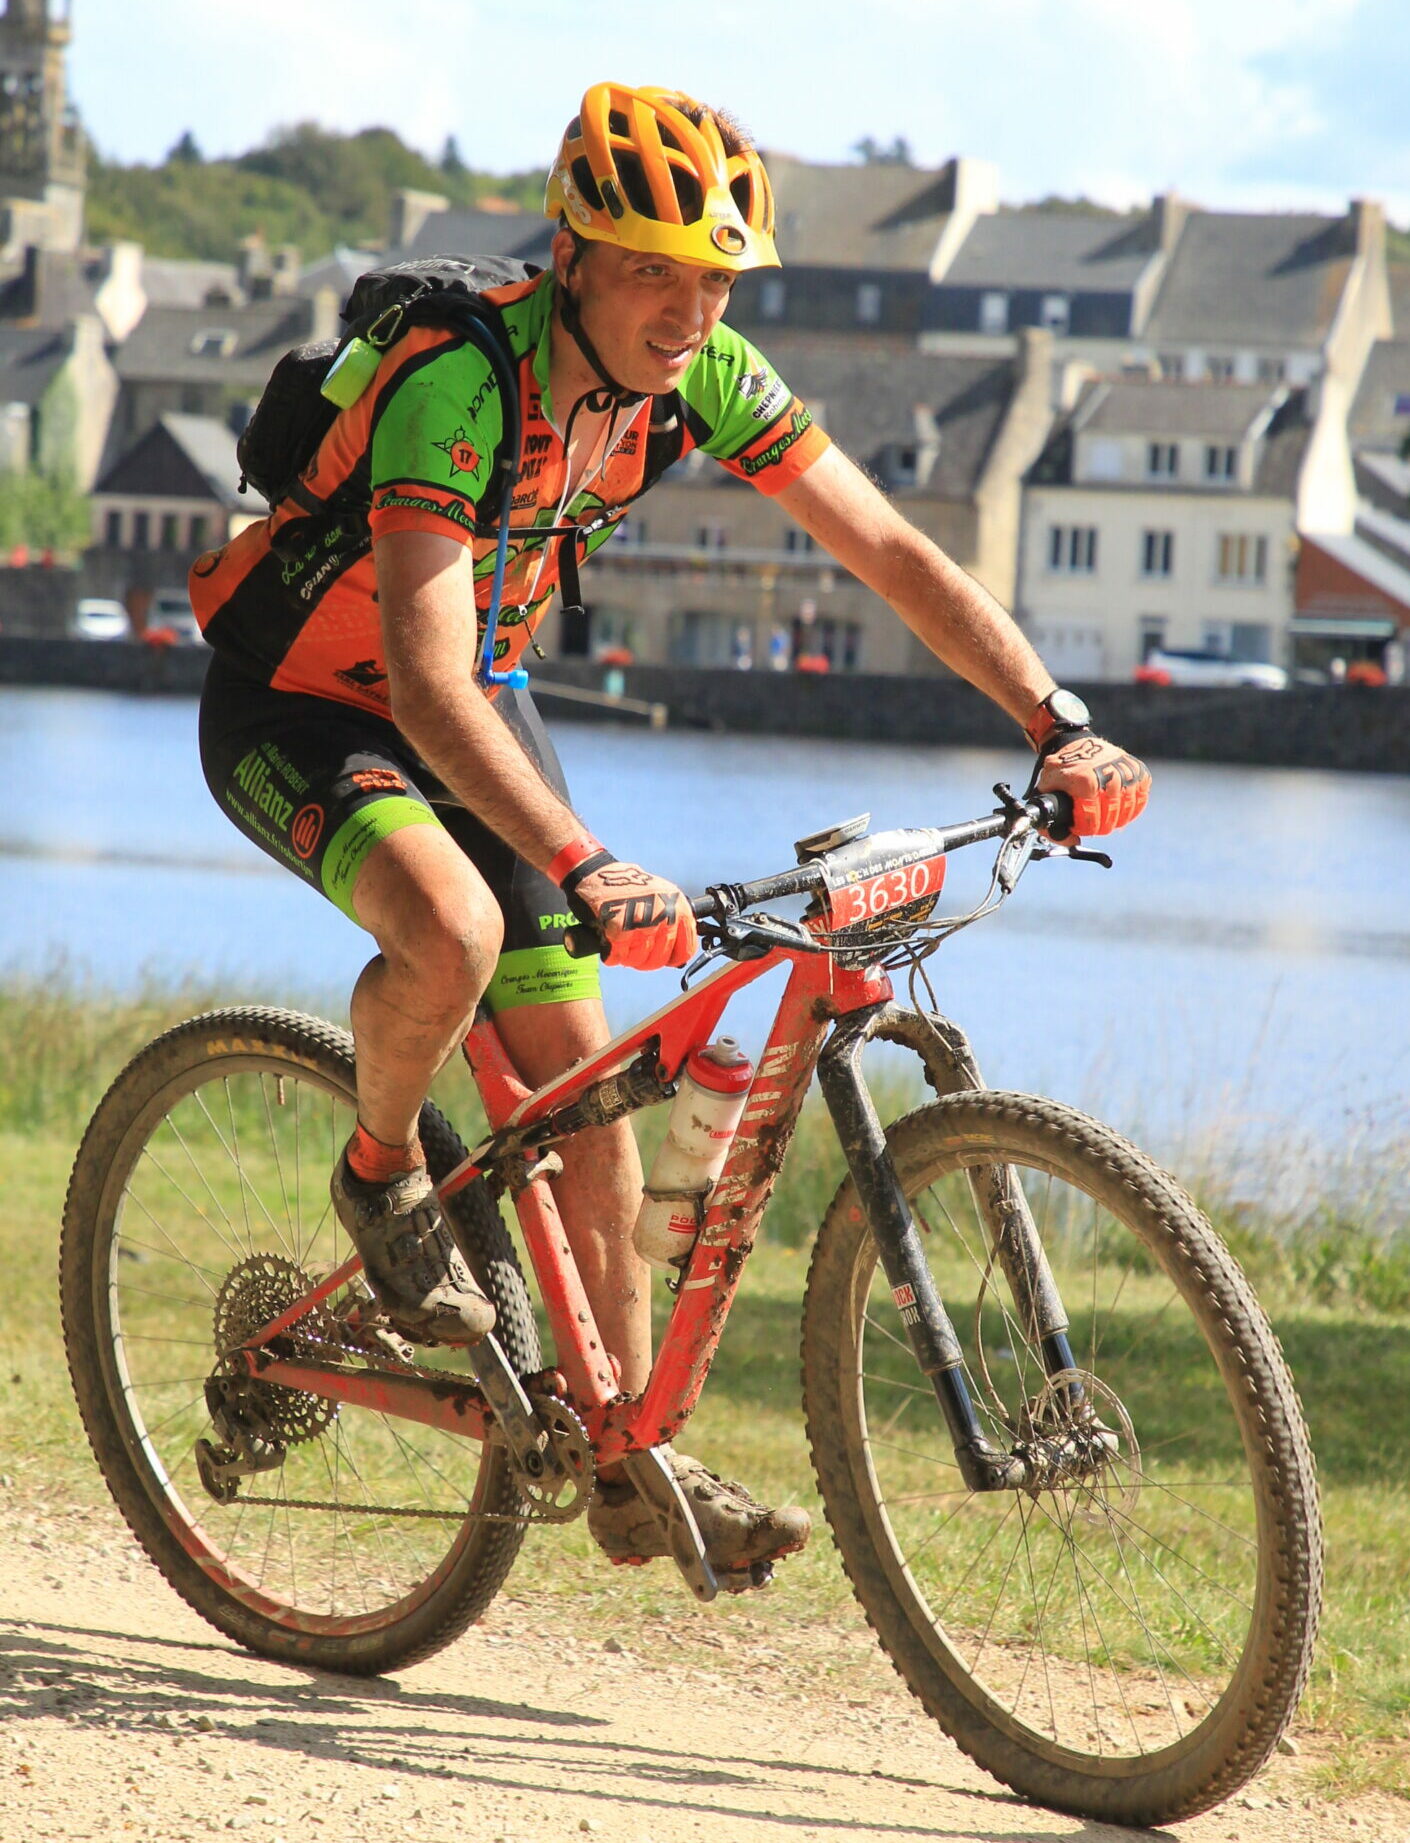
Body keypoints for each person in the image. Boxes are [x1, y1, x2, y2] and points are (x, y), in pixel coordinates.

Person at [189, 82, 1150, 1581]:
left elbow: (889, 549)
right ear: (574, 257)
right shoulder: (460, 379)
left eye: (715, 280)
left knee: (591, 1117)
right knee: (451, 931)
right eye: (654, 272)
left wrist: (1054, 718)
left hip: (476, 708)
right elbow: (425, 683)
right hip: (307, 703)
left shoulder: (703, 376)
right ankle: (378, 1172)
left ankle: (628, 1458)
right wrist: (587, 861)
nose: (689, 312)